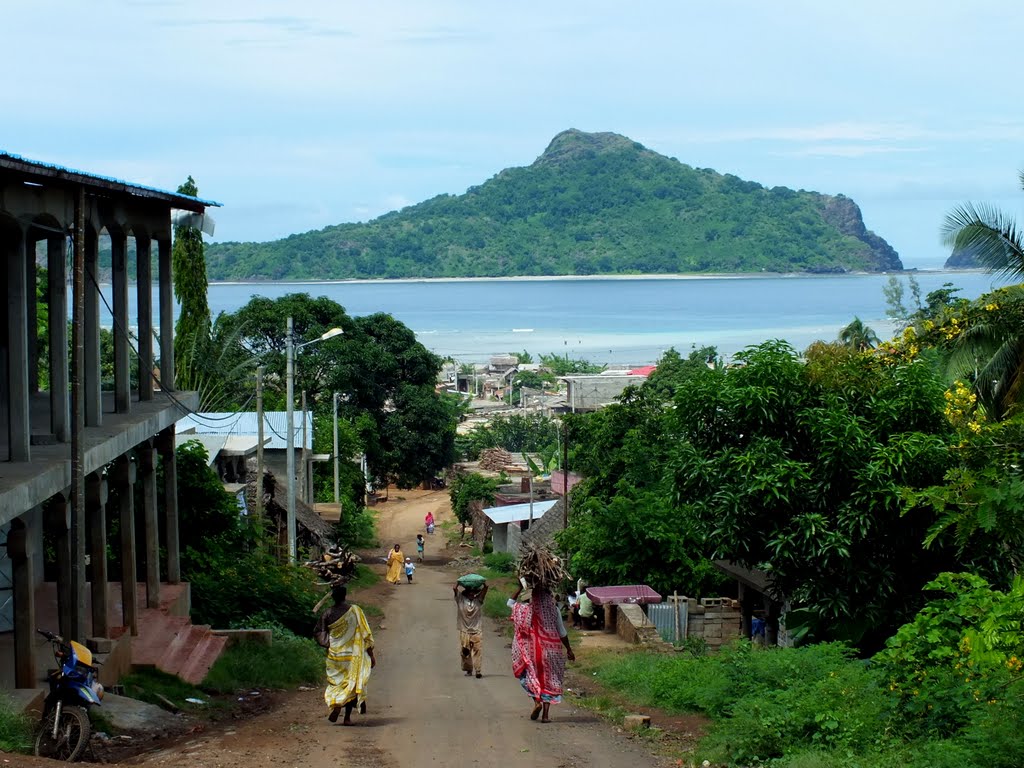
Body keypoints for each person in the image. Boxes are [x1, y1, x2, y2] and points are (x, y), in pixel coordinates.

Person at [508, 582, 575, 723]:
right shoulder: (554, 610)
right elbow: (562, 632)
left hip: (532, 652)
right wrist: (569, 649)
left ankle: (536, 701)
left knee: (528, 677)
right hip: (551, 651)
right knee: (549, 681)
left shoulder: (526, 609)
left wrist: (520, 587)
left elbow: (510, 603)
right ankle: (545, 716)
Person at [315, 584, 376, 725]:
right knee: (352, 684)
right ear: (345, 595)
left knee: (336, 683)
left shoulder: (327, 613)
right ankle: (347, 717)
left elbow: (319, 632)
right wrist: (371, 655)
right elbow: (366, 635)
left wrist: (328, 645)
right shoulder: (356, 611)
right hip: (353, 655)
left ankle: (336, 705)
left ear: (333, 597)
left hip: (335, 655)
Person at [454, 582, 488, 678]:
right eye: (470, 593)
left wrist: (483, 582)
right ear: (466, 594)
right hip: (464, 630)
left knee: (478, 650)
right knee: (465, 652)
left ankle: (478, 670)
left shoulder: (478, 600)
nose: (472, 595)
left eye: (474, 593)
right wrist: (459, 582)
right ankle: (468, 670)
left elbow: (486, 588)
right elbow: (454, 588)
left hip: (477, 630)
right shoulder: (460, 600)